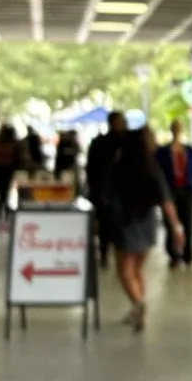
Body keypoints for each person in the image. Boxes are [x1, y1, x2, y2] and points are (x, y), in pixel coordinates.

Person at [105, 120, 184, 331]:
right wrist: (176, 227)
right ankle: (137, 307)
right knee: (138, 269)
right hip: (147, 225)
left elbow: (106, 197)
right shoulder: (152, 169)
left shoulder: (118, 168)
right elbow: (166, 200)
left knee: (124, 270)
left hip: (124, 224)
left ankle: (138, 303)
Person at [156, 118, 192, 269]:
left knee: (188, 222)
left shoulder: (190, 151)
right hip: (169, 192)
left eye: (179, 128)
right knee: (171, 223)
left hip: (188, 191)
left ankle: (188, 254)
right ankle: (173, 254)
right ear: (171, 130)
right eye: (174, 128)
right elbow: (157, 173)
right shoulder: (162, 152)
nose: (176, 131)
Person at [85, 111, 128, 269]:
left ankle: (105, 253)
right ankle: (114, 254)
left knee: (105, 224)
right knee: (115, 224)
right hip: (115, 191)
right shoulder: (125, 143)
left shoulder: (100, 142)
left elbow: (90, 169)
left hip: (105, 191)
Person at [0, 124, 22, 224]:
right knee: (6, 190)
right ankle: (5, 207)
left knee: (2, 191)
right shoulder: (14, 143)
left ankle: (2, 208)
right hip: (8, 168)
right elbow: (17, 157)